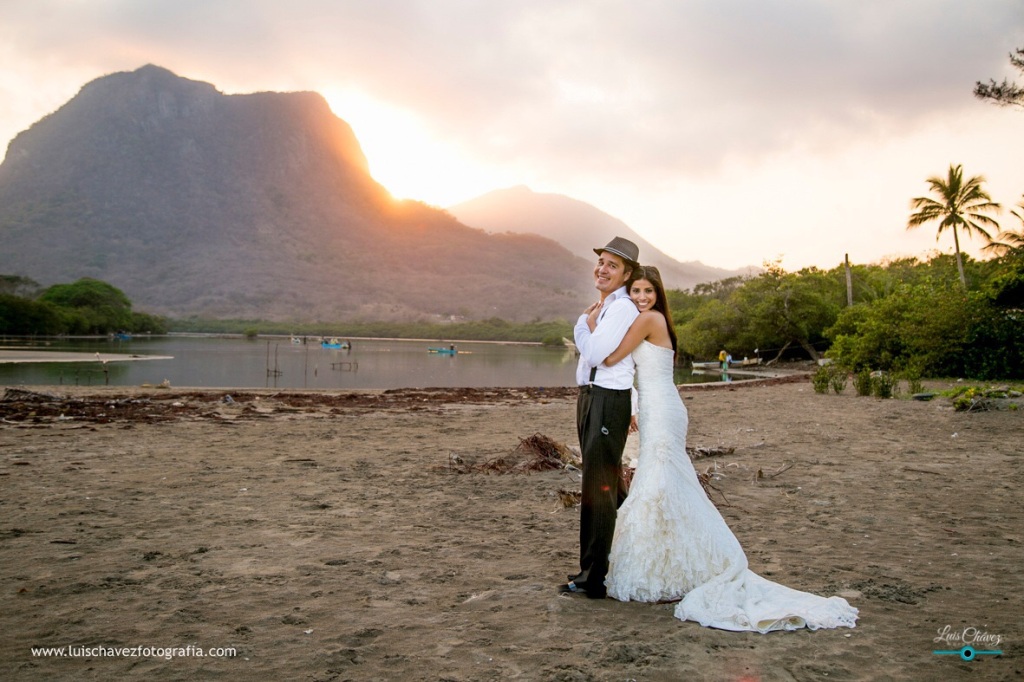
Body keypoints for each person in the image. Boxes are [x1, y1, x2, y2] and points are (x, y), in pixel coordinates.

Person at [601, 265, 858, 632]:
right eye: (635, 292)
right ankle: (671, 564)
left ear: (658, 295)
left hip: (664, 410)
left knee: (660, 484)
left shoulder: (649, 320)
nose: (641, 298)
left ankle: (669, 566)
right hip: (656, 408)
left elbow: (610, 356)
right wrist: (633, 405)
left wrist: (592, 324)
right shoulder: (650, 320)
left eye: (648, 292)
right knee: (663, 485)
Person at [561, 236, 641, 599]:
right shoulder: (607, 306)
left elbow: (594, 354)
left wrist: (583, 321)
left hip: (607, 400)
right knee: (611, 488)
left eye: (612, 265)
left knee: (599, 488)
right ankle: (635, 551)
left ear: (626, 274)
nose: (602, 269)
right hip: (591, 397)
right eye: (601, 262)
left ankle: (592, 578)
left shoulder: (621, 308)